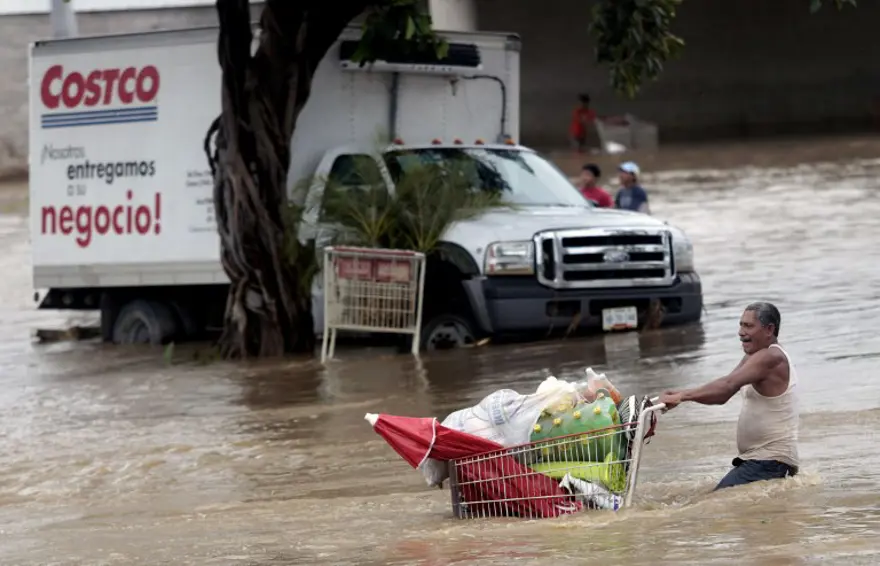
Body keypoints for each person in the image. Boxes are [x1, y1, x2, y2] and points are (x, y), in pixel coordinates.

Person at [659, 302, 799, 491]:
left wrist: (683, 396)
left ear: (769, 329)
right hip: (759, 460)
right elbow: (724, 392)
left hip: (770, 461)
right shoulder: (753, 357)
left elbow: (726, 387)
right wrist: (680, 395)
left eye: (748, 326)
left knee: (710, 505)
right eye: (741, 325)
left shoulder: (771, 357)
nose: (741, 332)